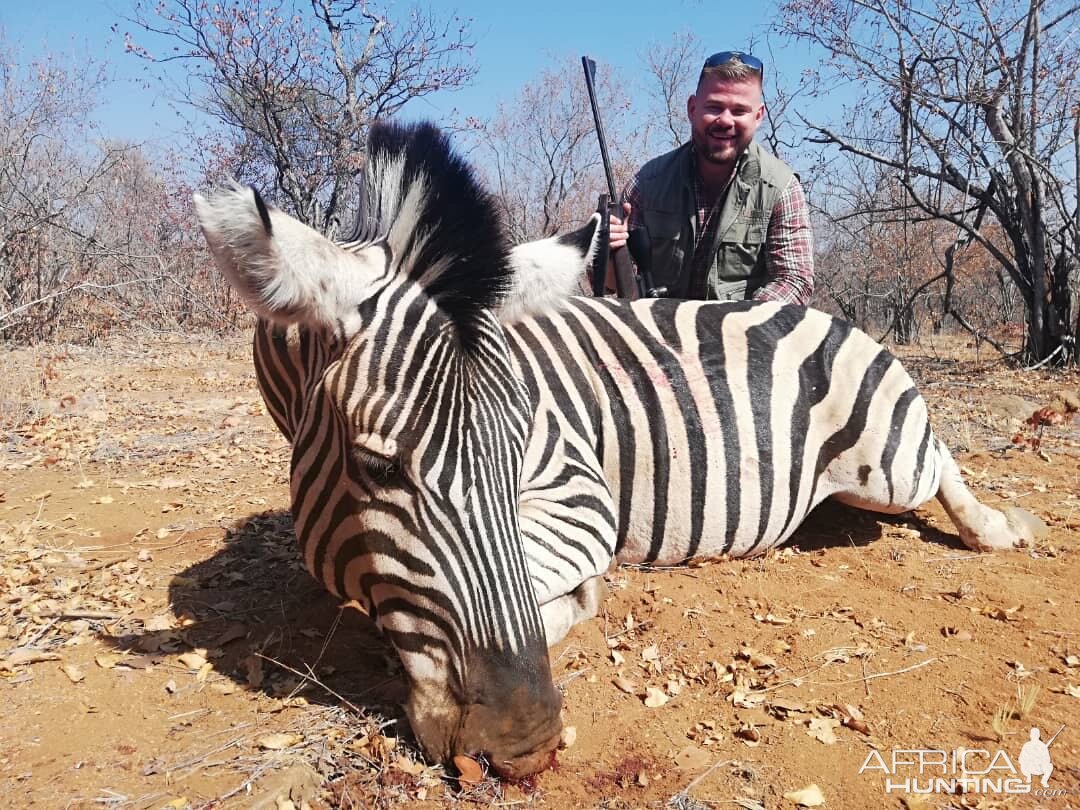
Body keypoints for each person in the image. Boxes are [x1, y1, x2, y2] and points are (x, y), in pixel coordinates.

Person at [608, 51, 814, 304]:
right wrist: (609, 251)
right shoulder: (647, 184)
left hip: (743, 337)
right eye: (714, 107)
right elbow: (611, 285)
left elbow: (794, 280)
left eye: (739, 111)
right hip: (657, 333)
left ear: (758, 116)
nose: (725, 120)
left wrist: (731, 326)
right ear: (692, 108)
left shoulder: (781, 187)